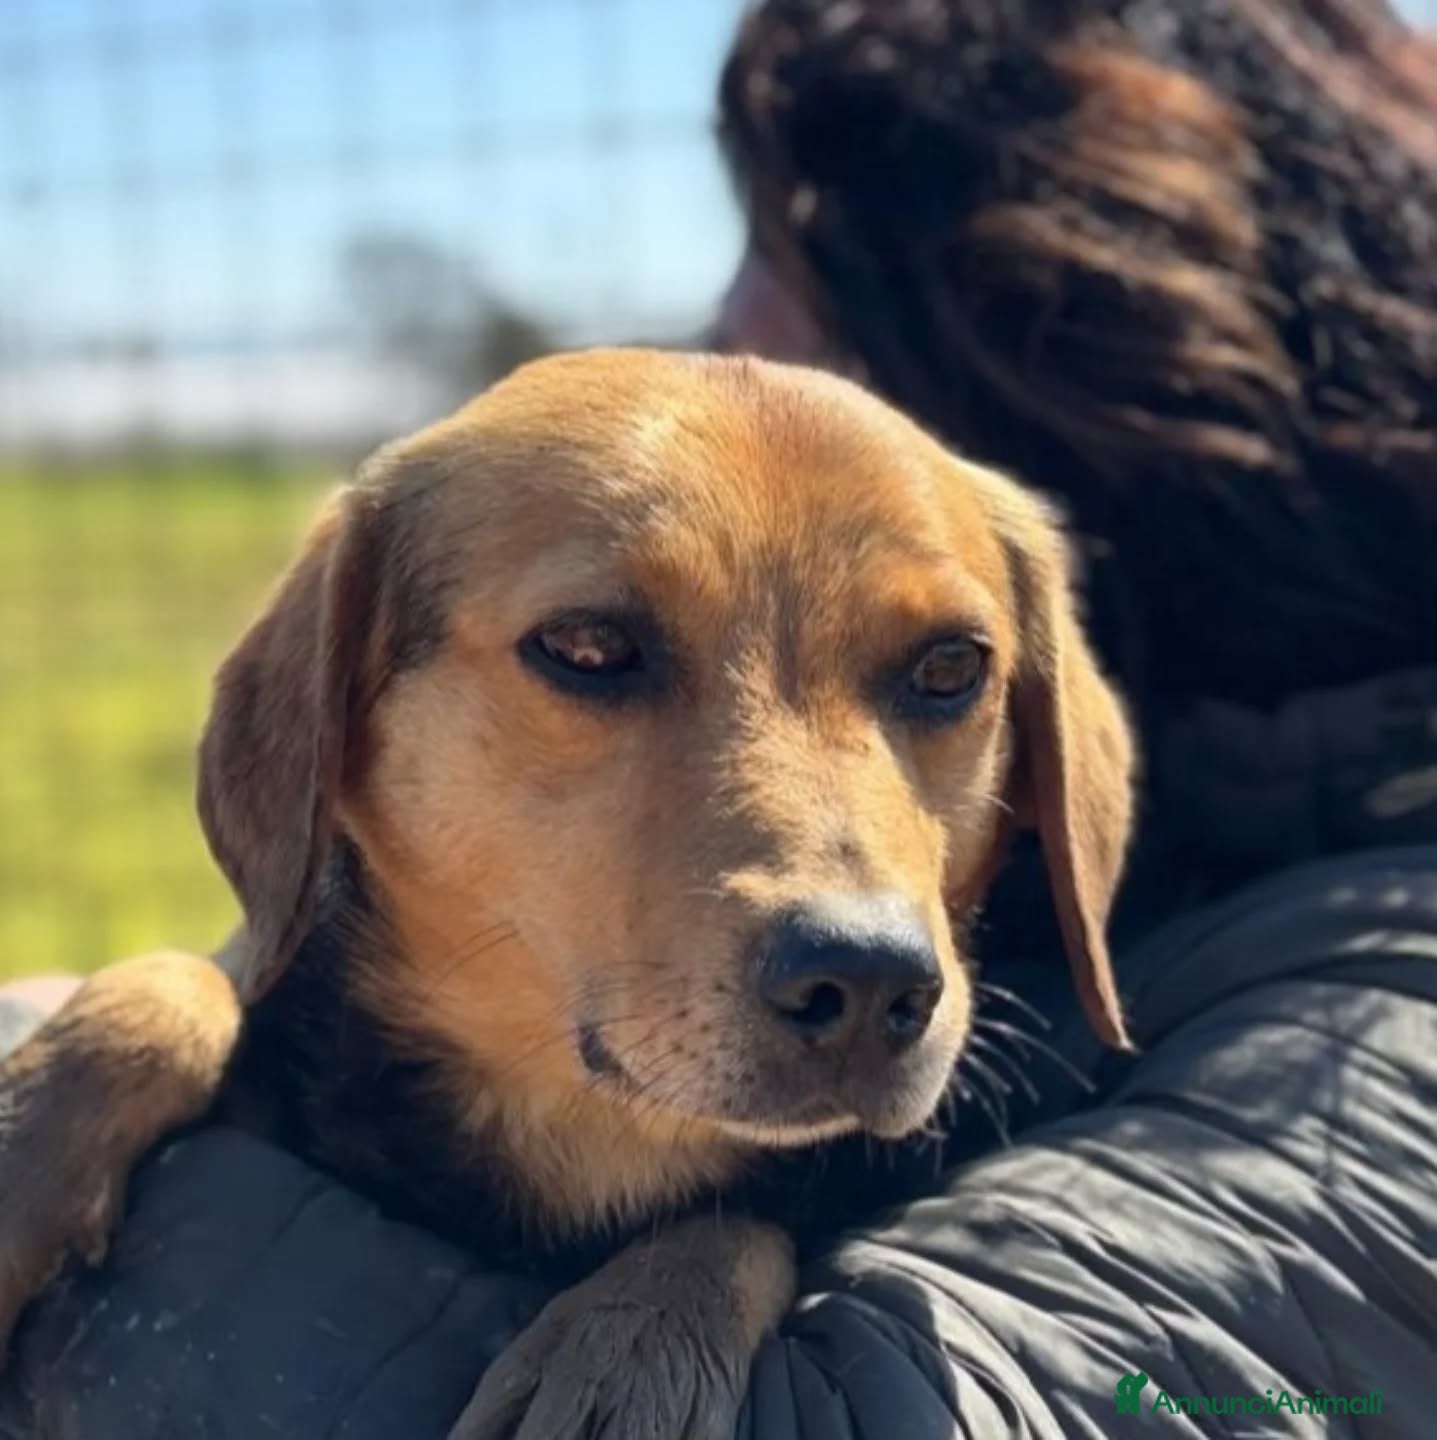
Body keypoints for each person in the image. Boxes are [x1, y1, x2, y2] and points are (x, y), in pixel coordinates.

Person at [4, 2, 1436, 1434]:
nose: (856, 912)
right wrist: (142, 1023)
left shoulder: (1343, 1002)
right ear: (333, 726)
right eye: (595, 655)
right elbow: (272, 967)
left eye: (937, 681)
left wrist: (722, 1268)